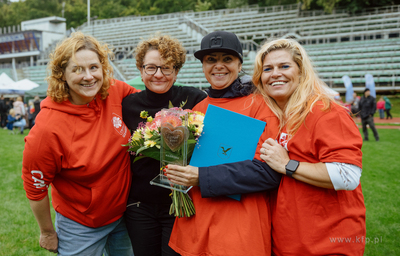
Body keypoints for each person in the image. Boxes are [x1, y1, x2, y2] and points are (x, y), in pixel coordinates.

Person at [167, 38, 366, 256]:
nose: (275, 74)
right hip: (287, 235)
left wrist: (288, 165)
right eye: (268, 69)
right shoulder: (278, 111)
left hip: (327, 238)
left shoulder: (323, 111)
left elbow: (347, 175)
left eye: (284, 66)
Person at [22, 32, 139, 255]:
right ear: (61, 74)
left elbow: (150, 105)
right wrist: (47, 232)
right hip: (80, 225)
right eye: (77, 69)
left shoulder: (115, 91)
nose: (88, 76)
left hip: (124, 215)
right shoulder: (47, 129)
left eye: (94, 67)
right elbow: (35, 188)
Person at [166, 31, 281, 256]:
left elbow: (269, 172)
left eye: (227, 59)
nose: (219, 66)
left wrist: (201, 177)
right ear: (203, 66)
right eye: (211, 60)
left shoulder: (260, 105)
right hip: (195, 228)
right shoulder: (196, 110)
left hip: (239, 231)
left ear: (240, 64)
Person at [121, 35, 207, 256]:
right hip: (140, 205)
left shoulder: (195, 99)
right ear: (141, 70)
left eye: (166, 68)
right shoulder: (129, 105)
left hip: (180, 203)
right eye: (151, 67)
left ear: (176, 71)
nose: (158, 74)